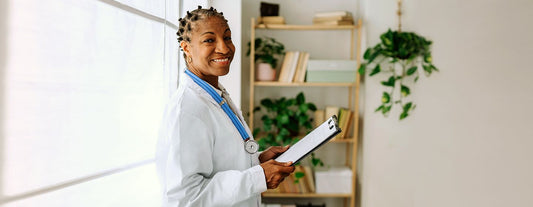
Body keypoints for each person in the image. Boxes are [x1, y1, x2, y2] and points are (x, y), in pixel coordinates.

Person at [156, 6, 295, 207]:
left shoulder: (215, 94)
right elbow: (185, 198)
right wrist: (257, 177)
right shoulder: (187, 109)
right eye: (209, 40)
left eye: (227, 37)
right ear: (187, 48)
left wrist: (258, 160)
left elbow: (220, 163)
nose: (224, 48)